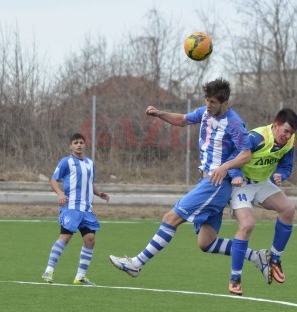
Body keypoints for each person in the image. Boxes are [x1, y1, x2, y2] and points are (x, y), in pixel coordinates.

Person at [108, 78, 254, 281]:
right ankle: (256, 257)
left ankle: (136, 263)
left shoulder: (235, 123)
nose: (208, 105)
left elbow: (246, 154)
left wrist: (225, 167)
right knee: (206, 242)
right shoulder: (205, 113)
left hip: (216, 184)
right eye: (207, 100)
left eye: (213, 102)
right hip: (207, 182)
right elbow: (183, 119)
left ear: (225, 103)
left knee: (171, 218)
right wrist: (159, 113)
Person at [224, 108, 297, 295]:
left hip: (262, 183)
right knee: (247, 225)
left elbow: (286, 164)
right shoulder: (257, 138)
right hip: (242, 185)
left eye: (291, 133)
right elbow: (233, 155)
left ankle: (274, 259)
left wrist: (282, 174)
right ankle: (235, 277)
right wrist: (235, 173)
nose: (288, 136)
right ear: (275, 125)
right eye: (285, 131)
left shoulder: (289, 141)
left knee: (288, 210)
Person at [41, 133, 110, 286]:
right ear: (70, 146)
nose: (79, 145)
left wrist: (99, 193)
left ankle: (80, 277)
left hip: (86, 209)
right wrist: (60, 194)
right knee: (65, 237)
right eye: (75, 142)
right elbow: (53, 179)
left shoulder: (90, 164)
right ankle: (49, 270)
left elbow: (89, 183)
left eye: (81, 142)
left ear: (85, 145)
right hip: (71, 207)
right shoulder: (66, 162)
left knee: (90, 240)